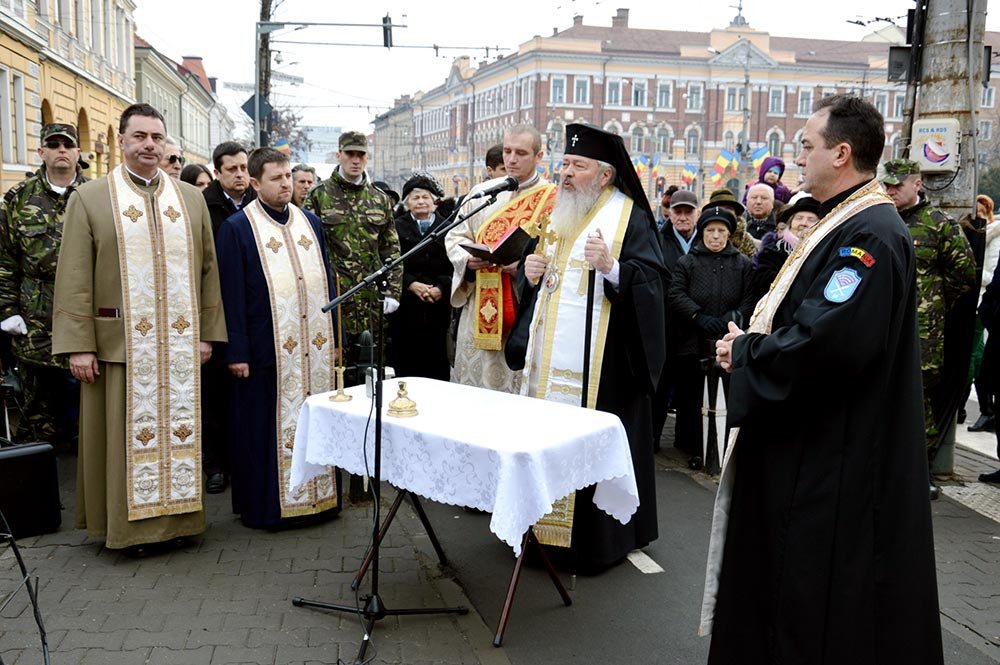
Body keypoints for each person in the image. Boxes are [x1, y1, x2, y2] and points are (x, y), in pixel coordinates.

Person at [702, 94, 943, 664]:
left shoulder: (868, 235)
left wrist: (747, 352)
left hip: (831, 454)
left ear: (841, 153)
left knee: (810, 596)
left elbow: (829, 341)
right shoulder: (845, 220)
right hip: (815, 441)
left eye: (806, 145)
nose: (797, 156)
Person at [52, 103, 226, 552]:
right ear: (122, 140)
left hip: (180, 345)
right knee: (122, 441)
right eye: (140, 136)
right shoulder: (90, 198)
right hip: (119, 344)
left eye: (157, 137)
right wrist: (79, 345)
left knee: (179, 436)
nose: (149, 145)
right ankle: (128, 532)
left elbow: (208, 269)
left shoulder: (189, 199)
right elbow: (73, 275)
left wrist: (207, 333)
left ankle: (180, 524)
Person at [506, 123, 666, 574]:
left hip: (604, 365)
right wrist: (528, 275)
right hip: (547, 363)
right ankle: (535, 533)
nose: (566, 173)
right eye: (565, 164)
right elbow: (544, 284)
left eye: (578, 166)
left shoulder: (628, 217)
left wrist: (614, 269)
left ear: (605, 175)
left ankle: (594, 544)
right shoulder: (559, 212)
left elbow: (654, 284)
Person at [215, 148, 341, 529]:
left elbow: (328, 281)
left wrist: (335, 337)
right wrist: (237, 351)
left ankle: (320, 501)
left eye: (288, 176)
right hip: (264, 349)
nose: (286, 183)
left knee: (314, 419)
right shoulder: (238, 228)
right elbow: (230, 294)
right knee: (262, 429)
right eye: (276, 178)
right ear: (255, 183)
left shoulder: (310, 222)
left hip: (314, 347)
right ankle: (268, 509)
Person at [445, 124, 556, 393]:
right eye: (507, 151)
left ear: (539, 156)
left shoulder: (553, 199)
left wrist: (527, 267)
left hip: (523, 304)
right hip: (479, 301)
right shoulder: (482, 192)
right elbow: (454, 236)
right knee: (474, 388)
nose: (512, 159)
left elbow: (559, 251)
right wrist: (467, 261)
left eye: (521, 153)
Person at [882, 158, 977, 462]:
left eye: (897, 185)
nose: (891, 191)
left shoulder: (939, 223)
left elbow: (963, 273)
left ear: (917, 184)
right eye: (887, 185)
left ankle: (920, 466)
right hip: (882, 323)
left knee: (916, 395)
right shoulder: (879, 219)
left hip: (923, 329)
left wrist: (932, 301)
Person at [0, 123, 88, 446]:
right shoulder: (19, 198)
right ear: (41, 152)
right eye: (53, 145)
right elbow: (5, 258)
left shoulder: (96, 195)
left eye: (67, 145)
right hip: (34, 323)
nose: (61, 150)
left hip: (83, 320)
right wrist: (7, 311)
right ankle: (42, 471)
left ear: (78, 152)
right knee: (36, 419)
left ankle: (83, 470)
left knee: (85, 412)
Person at [305, 131, 401, 387]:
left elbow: (391, 249)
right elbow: (308, 249)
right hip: (335, 298)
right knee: (336, 371)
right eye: (350, 154)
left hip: (371, 300)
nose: (355, 160)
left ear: (367, 158)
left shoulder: (379, 199)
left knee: (373, 370)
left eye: (361, 155)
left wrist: (392, 292)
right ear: (339, 155)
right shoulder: (318, 196)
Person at [667, 206, 754, 462]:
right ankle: (692, 446)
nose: (715, 236)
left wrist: (730, 319)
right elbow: (676, 293)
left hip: (727, 340)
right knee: (692, 395)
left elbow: (750, 298)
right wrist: (698, 316)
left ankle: (721, 445)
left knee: (725, 394)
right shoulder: (687, 262)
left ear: (729, 234)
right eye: (710, 230)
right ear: (702, 232)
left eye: (721, 231)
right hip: (692, 340)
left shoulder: (742, 263)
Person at [201, 141, 256, 494]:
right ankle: (215, 465)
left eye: (244, 168)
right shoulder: (203, 206)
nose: (240, 175)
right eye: (232, 169)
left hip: (250, 310)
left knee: (245, 393)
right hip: (215, 309)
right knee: (215, 393)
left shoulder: (257, 202)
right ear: (217, 173)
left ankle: (243, 460)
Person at [389, 174, 453, 381]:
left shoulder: (447, 227)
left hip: (438, 305)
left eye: (425, 197)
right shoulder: (396, 227)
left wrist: (441, 287)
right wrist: (410, 284)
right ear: (407, 203)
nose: (421, 202)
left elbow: (454, 264)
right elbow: (390, 262)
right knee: (407, 360)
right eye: (415, 198)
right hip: (407, 306)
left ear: (434, 201)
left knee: (437, 362)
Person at [746, 195, 821, 306]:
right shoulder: (773, 250)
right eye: (799, 218)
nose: (804, 223)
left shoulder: (823, 250)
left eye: (811, 219)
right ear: (790, 224)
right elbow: (763, 283)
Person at [971, 194, 999, 432]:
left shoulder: (994, 238)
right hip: (983, 306)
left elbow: (991, 276)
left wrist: (974, 269)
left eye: (981, 213)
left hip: (983, 302)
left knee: (975, 357)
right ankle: (986, 410)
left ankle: (986, 411)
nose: (977, 218)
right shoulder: (980, 235)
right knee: (979, 359)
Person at [704, 187, 757, 257]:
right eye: (719, 209)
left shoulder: (746, 240)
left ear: (736, 213)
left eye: (728, 209)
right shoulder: (700, 238)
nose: (724, 213)